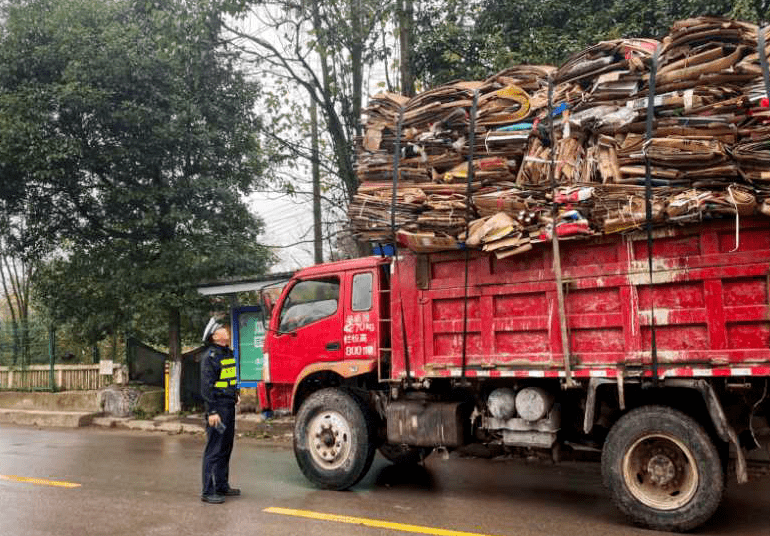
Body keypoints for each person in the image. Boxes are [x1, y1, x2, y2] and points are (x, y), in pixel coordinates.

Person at [200, 317, 240, 504]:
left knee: (225, 448)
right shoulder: (210, 357)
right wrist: (212, 412)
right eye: (222, 330)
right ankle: (208, 491)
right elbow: (206, 387)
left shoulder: (227, 354)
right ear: (215, 336)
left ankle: (222, 485)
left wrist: (236, 393)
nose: (226, 331)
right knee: (213, 450)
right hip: (217, 408)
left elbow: (230, 377)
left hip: (229, 406)